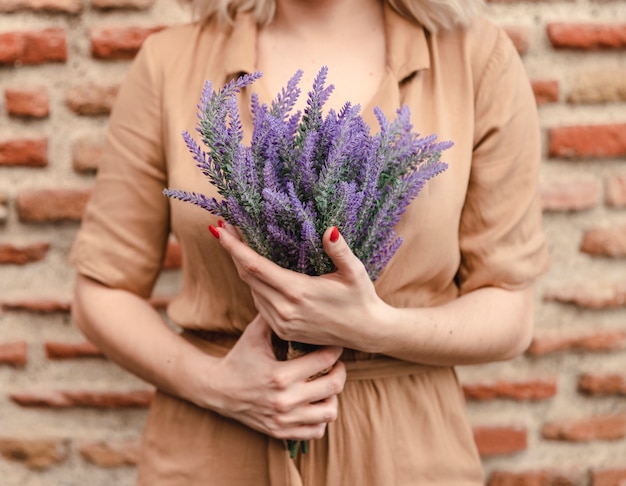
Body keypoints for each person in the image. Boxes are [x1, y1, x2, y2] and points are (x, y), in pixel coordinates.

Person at [70, 0, 550, 483]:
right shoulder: (170, 61)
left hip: (402, 450)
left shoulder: (474, 57)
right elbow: (100, 292)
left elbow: (510, 309)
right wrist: (217, 386)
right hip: (212, 446)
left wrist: (377, 327)